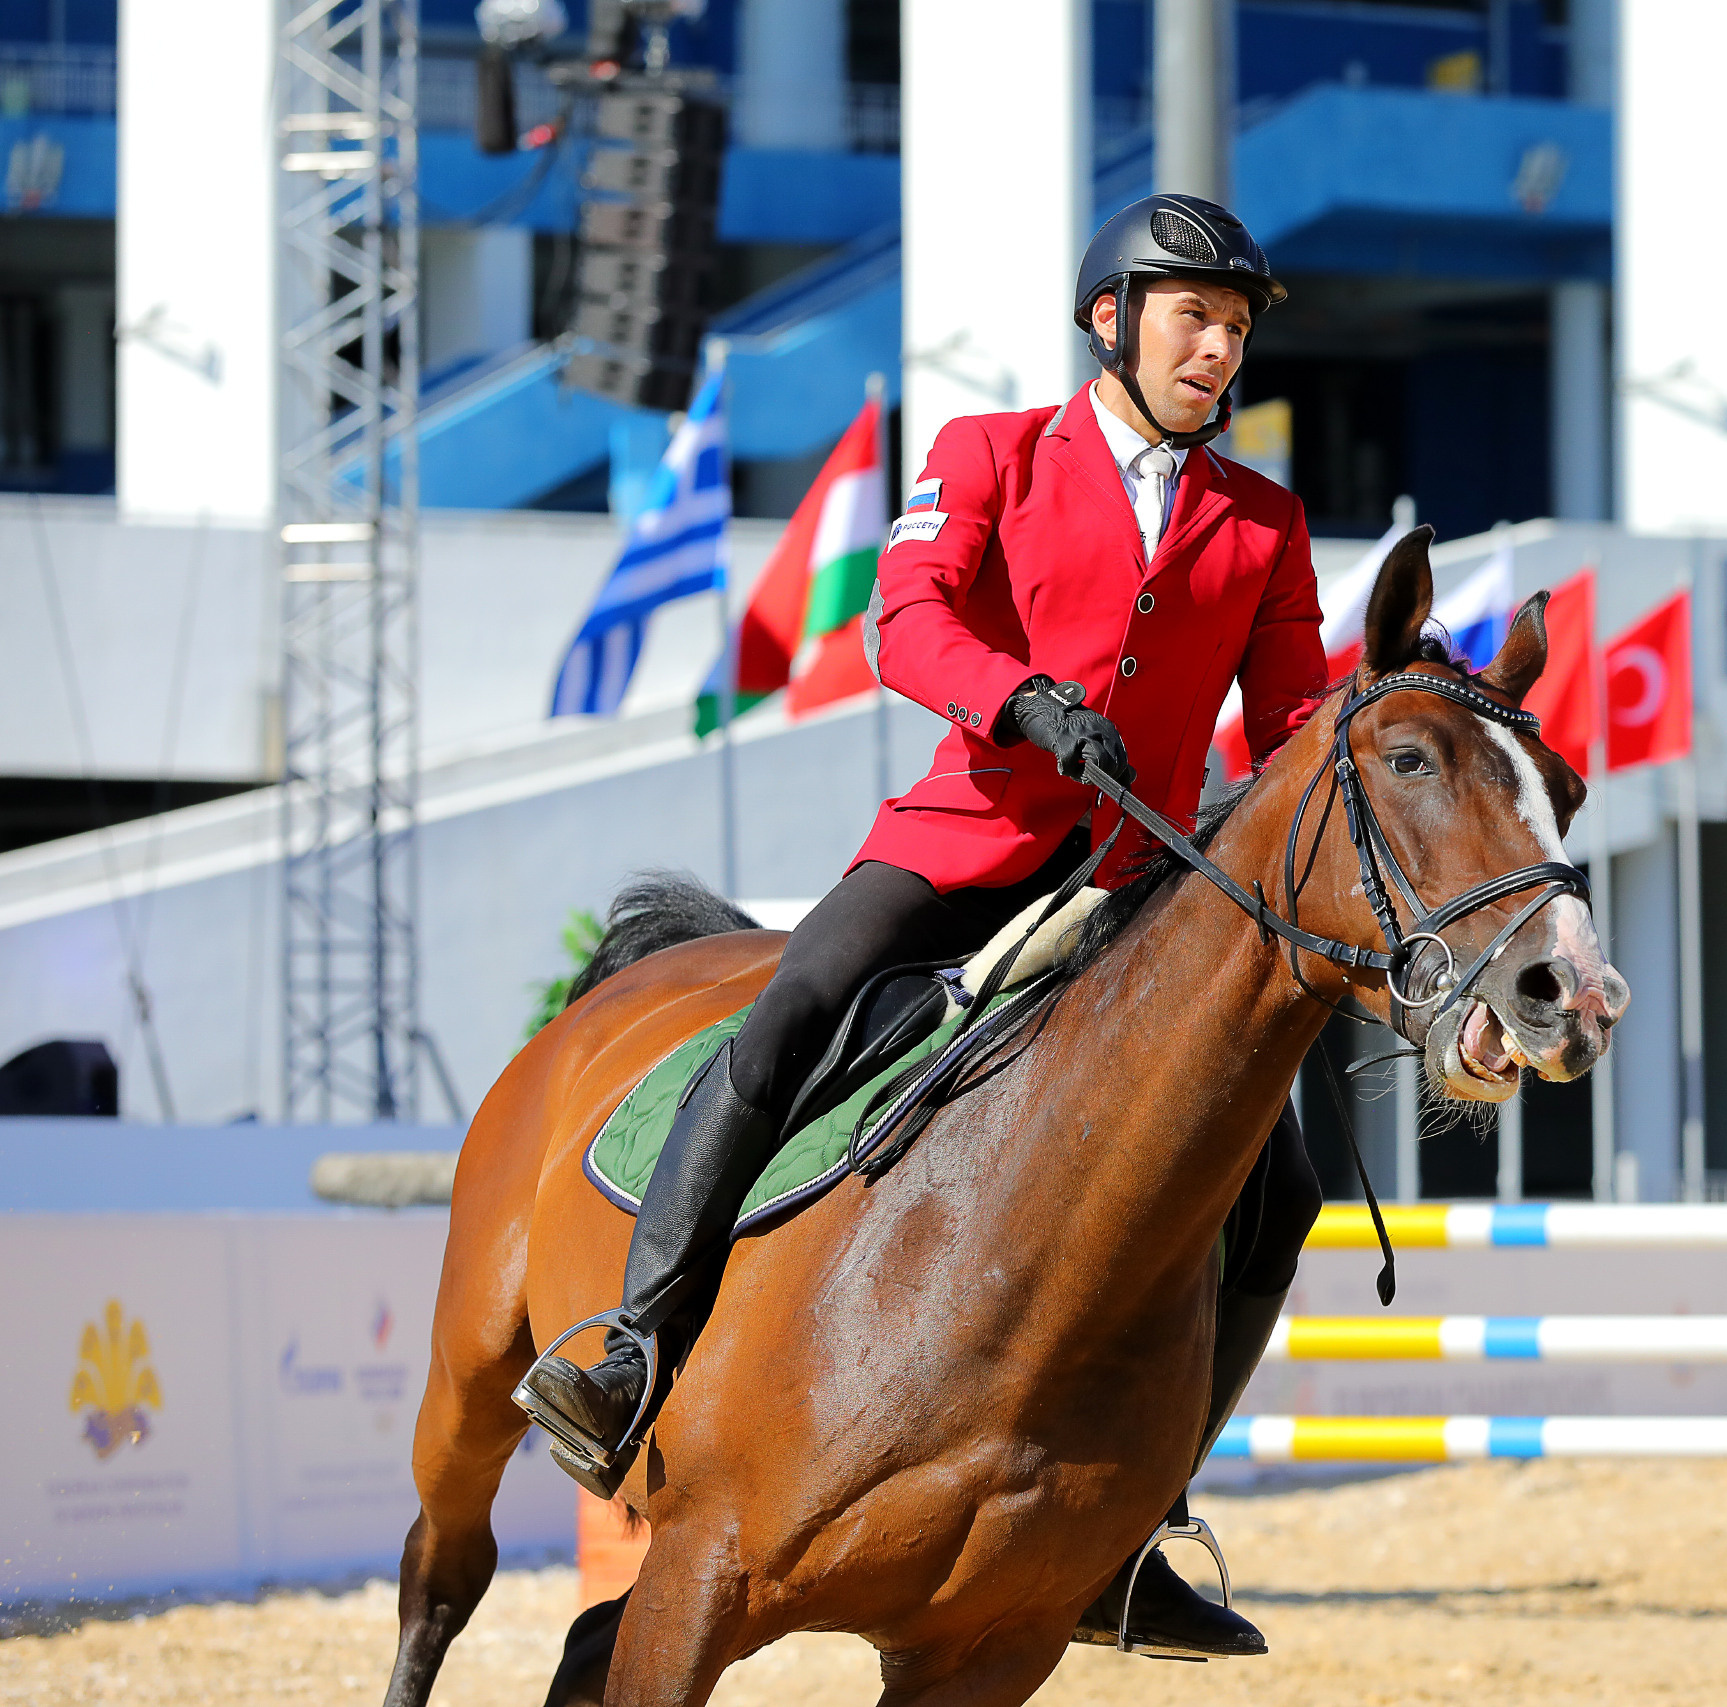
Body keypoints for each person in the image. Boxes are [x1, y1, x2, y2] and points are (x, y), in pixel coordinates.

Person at [516, 193, 1328, 1659]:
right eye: (1193, 317)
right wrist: (1021, 698)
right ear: (1114, 321)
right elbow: (906, 616)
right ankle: (629, 1346)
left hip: (1140, 892)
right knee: (790, 1010)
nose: (1217, 347)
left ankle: (1134, 1524)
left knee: (1284, 1181)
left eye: (1235, 326)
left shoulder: (1263, 521)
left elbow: (1284, 732)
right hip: (973, 843)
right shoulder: (990, 454)